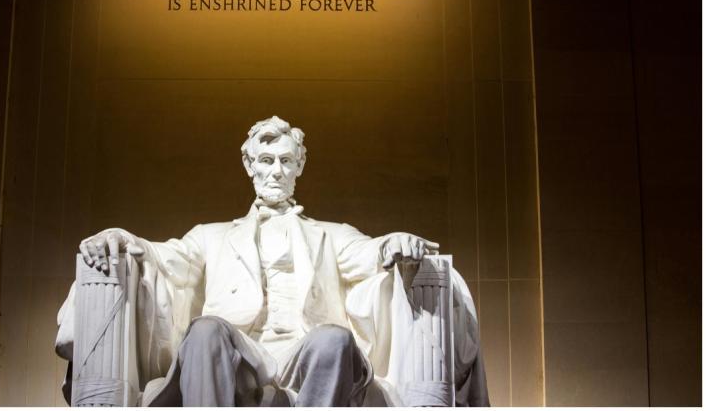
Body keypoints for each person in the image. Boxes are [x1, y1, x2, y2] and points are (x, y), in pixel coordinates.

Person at [56, 116, 488, 406]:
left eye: (285, 161)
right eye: (266, 161)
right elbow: (166, 257)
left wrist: (394, 241)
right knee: (205, 331)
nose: (276, 171)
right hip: (237, 355)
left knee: (335, 339)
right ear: (249, 165)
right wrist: (121, 237)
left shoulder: (332, 234)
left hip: (306, 351)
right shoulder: (211, 236)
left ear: (300, 165)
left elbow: (369, 254)